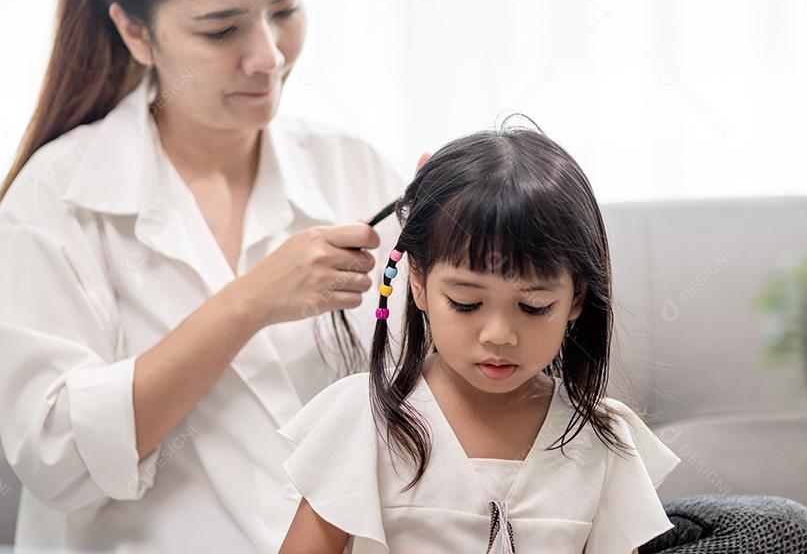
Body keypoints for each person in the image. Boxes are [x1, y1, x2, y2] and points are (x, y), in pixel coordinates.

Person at [0, 0, 416, 553]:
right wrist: (248, 303)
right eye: (222, 30)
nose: (269, 56)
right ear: (135, 32)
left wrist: (473, 252)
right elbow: (57, 456)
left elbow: (428, 394)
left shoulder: (354, 169)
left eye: (287, 9)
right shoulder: (55, 204)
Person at [278, 124, 682, 554]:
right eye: (466, 303)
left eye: (533, 307)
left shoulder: (600, 439)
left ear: (577, 297)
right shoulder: (364, 419)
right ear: (418, 283)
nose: (499, 336)